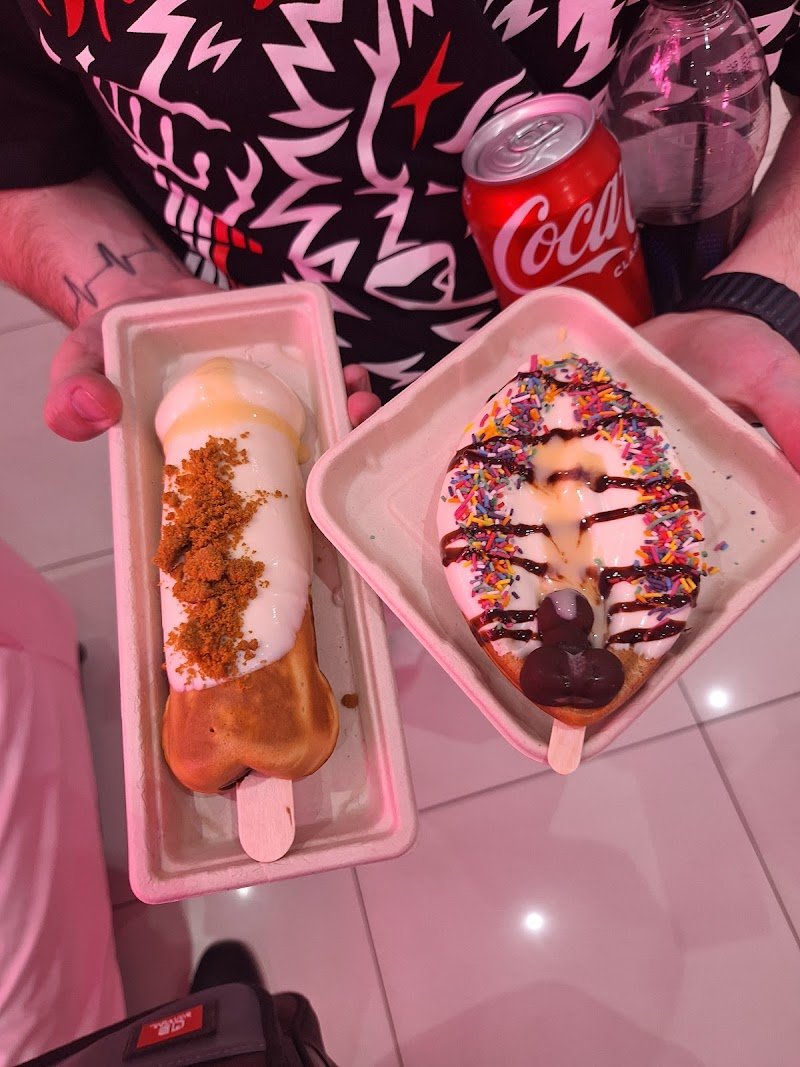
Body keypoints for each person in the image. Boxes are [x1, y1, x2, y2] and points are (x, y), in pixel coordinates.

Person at [0, 2, 799, 467]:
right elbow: (23, 153)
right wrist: (125, 291)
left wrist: (761, 294)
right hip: (307, 391)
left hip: (667, 343)